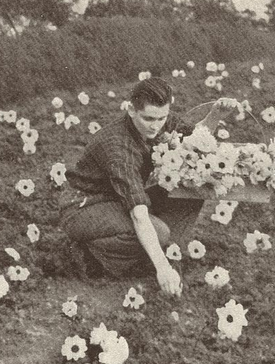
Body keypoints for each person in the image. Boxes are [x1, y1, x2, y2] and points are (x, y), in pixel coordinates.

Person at [61, 77, 233, 297]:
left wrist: (215, 115)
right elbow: (138, 214)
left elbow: (195, 137)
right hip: (84, 206)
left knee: (191, 193)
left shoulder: (161, 119)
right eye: (149, 118)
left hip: (117, 198)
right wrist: (163, 269)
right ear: (131, 110)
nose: (156, 125)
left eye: (162, 118)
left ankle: (149, 254)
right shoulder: (116, 147)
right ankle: (91, 256)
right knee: (158, 231)